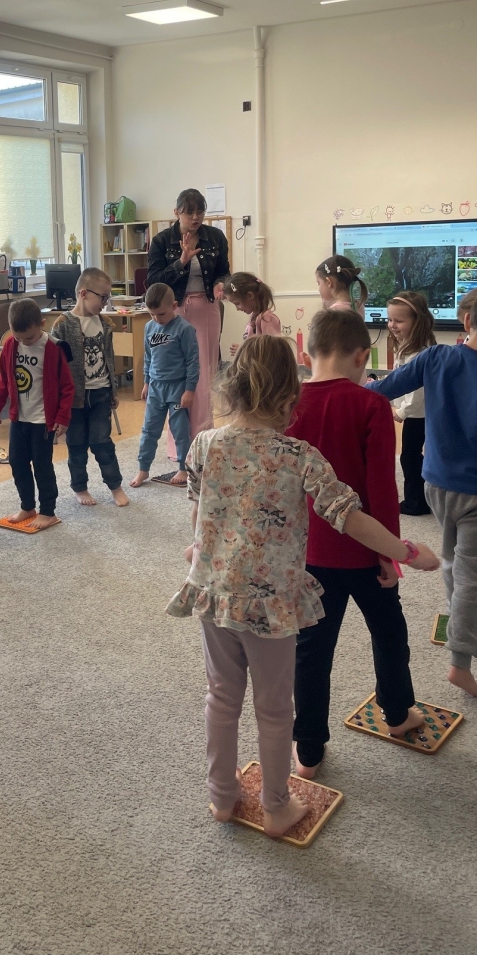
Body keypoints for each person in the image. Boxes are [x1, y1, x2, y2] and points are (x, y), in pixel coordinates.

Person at [166, 336, 437, 837]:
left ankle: (221, 797)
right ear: (290, 396)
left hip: (213, 591)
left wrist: (199, 548)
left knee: (220, 697)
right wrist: (407, 552)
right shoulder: (299, 456)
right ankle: (276, 806)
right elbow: (350, 518)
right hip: (271, 603)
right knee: (274, 708)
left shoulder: (204, 443)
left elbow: (200, 509)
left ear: (234, 387)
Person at [286, 310, 439, 778]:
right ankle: (397, 714)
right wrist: (390, 554)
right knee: (389, 634)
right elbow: (381, 490)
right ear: (361, 357)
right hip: (366, 554)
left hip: (309, 554)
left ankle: (308, 750)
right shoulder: (371, 404)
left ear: (307, 353)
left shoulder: (288, 405)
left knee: (311, 650)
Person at [368, 287, 477, 696]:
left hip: (436, 483)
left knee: (453, 560)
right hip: (473, 490)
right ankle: (460, 662)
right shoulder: (435, 356)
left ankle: (458, 617)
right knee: (471, 575)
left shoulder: (436, 357)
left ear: (466, 321)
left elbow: (382, 390)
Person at [146, 188, 229, 437]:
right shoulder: (161, 241)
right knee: (175, 369)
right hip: (175, 309)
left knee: (203, 370)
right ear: (176, 212)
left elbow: (224, 271)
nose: (195, 217)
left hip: (206, 308)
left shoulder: (215, 237)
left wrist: (220, 284)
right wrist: (180, 262)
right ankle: (179, 438)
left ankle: (202, 433)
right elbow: (153, 282)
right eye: (189, 212)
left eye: (200, 212)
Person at [0, 298, 74, 530]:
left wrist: (62, 417)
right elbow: (4, 378)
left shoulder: (54, 348)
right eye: (18, 337)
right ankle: (27, 506)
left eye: (28, 337)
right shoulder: (11, 345)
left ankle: (47, 510)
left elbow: (67, 387)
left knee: (42, 466)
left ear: (42, 324)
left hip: (43, 421)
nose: (23, 342)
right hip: (19, 418)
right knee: (17, 462)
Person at [50, 268, 128, 508]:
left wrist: (113, 391)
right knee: (76, 444)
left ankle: (115, 485)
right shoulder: (63, 325)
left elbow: (109, 359)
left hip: (101, 393)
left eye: (108, 298)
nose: (105, 303)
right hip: (73, 399)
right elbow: (54, 366)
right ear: (84, 293)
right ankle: (80, 487)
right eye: (103, 297)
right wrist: (57, 404)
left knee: (102, 441)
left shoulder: (105, 324)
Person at [130, 283, 199, 488]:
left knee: (180, 430)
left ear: (174, 306)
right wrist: (146, 382)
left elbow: (193, 362)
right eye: (151, 314)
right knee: (149, 430)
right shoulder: (149, 327)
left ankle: (183, 468)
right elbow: (148, 357)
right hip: (155, 388)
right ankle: (143, 468)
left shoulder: (185, 329)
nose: (157, 319)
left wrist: (189, 390)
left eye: (161, 314)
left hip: (177, 388)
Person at [386, 290, 435, 515]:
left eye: (399, 321)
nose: (392, 325)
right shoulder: (407, 347)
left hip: (418, 414)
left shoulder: (418, 353)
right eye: (390, 319)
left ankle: (415, 502)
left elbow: (418, 392)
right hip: (416, 413)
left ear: (417, 322)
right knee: (413, 455)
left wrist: (402, 412)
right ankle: (421, 497)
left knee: (409, 457)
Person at [223, 272, 282, 357]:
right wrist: (243, 348)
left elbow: (272, 350)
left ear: (250, 296)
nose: (237, 308)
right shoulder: (255, 317)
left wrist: (244, 350)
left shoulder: (267, 319)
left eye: (237, 303)